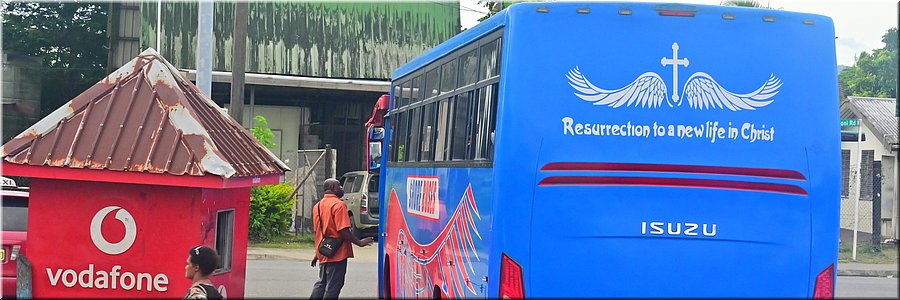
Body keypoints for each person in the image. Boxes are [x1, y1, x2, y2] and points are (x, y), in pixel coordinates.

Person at [310, 178, 374, 299]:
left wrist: (317, 254)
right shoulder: (339, 205)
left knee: (322, 283)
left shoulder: (317, 206)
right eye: (339, 186)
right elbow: (343, 230)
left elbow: (318, 231)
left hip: (323, 252)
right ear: (333, 188)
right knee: (333, 286)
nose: (342, 188)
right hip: (336, 253)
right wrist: (359, 242)